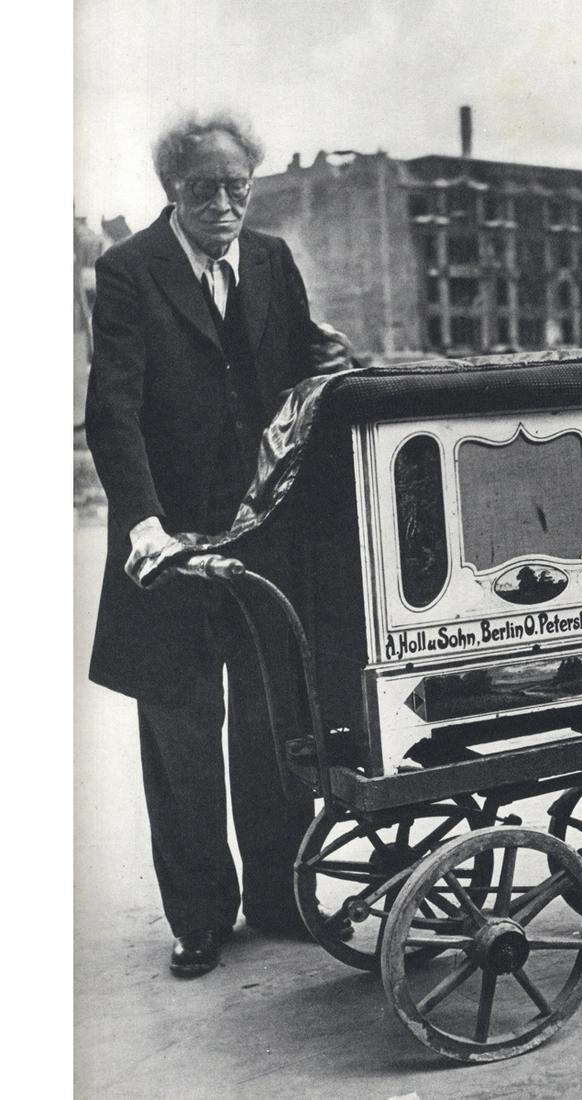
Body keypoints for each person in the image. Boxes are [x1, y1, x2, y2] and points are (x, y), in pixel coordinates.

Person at [85, 110, 352, 976]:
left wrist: (339, 363)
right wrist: (144, 526)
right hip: (167, 543)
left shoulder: (271, 260)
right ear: (173, 188)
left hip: (263, 535)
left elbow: (302, 357)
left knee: (275, 724)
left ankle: (280, 896)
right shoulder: (128, 272)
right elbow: (113, 410)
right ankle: (200, 914)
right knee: (183, 731)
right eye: (207, 190)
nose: (226, 205)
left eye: (240, 188)